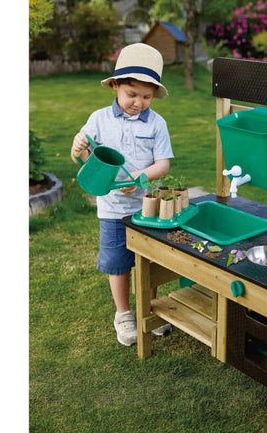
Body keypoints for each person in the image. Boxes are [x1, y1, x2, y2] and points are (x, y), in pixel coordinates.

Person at [70, 43, 173, 346]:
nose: (138, 102)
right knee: (117, 262)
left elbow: (163, 164)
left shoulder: (157, 123)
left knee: (148, 261)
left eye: (146, 96)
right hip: (113, 208)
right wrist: (78, 146)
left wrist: (141, 178)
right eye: (132, 94)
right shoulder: (99, 119)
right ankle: (124, 314)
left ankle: (149, 309)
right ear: (115, 85)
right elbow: (82, 156)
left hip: (147, 207)